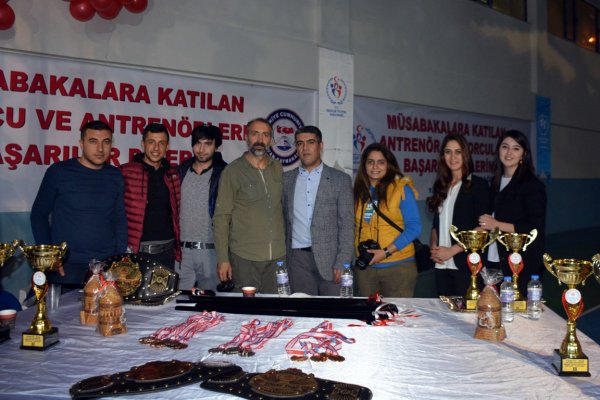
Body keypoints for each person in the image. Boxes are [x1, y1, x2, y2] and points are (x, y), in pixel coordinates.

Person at [30, 120, 127, 286]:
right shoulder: (58, 172)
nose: (100, 149)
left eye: (106, 142)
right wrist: (50, 256)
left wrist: (120, 257)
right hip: (67, 266)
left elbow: (119, 218)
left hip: (106, 265)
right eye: (93, 141)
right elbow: (38, 215)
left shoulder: (115, 175)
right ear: (81, 143)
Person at [213, 118, 285, 293]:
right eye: (255, 134)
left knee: (275, 307)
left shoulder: (277, 167)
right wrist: (223, 259)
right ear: (246, 137)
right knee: (246, 309)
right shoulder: (233, 171)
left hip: (277, 258)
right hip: (245, 258)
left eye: (265, 135)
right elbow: (221, 217)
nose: (260, 140)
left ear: (270, 140)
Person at [282, 126, 354, 296]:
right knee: (302, 310)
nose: (305, 148)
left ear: (321, 146)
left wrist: (343, 261)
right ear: (296, 148)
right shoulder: (286, 179)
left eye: (310, 142)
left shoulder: (340, 180)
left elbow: (347, 224)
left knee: (333, 310)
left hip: (332, 260)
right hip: (298, 261)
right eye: (300, 143)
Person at [479, 130, 546, 295]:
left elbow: (534, 227)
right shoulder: (494, 184)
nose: (509, 152)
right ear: (498, 150)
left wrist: (496, 225)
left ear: (524, 154)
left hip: (520, 262)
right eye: (505, 147)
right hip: (493, 258)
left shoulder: (533, 186)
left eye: (516, 148)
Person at [353, 143, 422, 298]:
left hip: (398, 266)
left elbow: (414, 228)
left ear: (388, 165)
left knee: (397, 313)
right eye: (370, 162)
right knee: (368, 312)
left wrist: (385, 252)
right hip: (366, 267)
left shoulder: (401, 189)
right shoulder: (359, 191)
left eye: (381, 162)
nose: (375, 167)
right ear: (364, 165)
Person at [426, 134, 490, 296]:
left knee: (467, 312)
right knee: (444, 311)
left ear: (465, 154)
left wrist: (452, 250)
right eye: (448, 152)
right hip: (441, 266)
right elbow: (436, 225)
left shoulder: (478, 185)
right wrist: (433, 247)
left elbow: (484, 228)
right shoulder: (441, 185)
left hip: (466, 265)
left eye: (458, 152)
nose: (452, 157)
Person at [120, 123, 181, 269]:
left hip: (167, 254)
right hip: (136, 254)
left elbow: (176, 214)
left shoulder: (173, 175)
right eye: (151, 142)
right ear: (143, 144)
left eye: (161, 143)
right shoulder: (125, 172)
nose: (156, 148)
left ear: (167, 146)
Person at [176, 124, 227, 291]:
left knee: (212, 302)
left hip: (211, 252)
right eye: (198, 143)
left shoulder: (224, 174)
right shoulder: (180, 172)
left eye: (208, 144)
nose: (202, 149)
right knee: (178, 301)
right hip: (182, 253)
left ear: (216, 146)